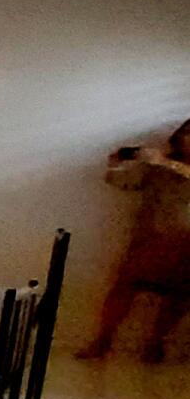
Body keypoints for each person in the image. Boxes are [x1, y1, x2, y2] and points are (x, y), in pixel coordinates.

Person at [80, 117, 190, 361]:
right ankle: (103, 341)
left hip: (185, 245)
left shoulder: (166, 164)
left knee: (178, 297)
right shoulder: (156, 169)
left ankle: (156, 344)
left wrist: (163, 162)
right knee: (123, 289)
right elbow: (122, 183)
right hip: (148, 240)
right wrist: (116, 164)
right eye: (186, 133)